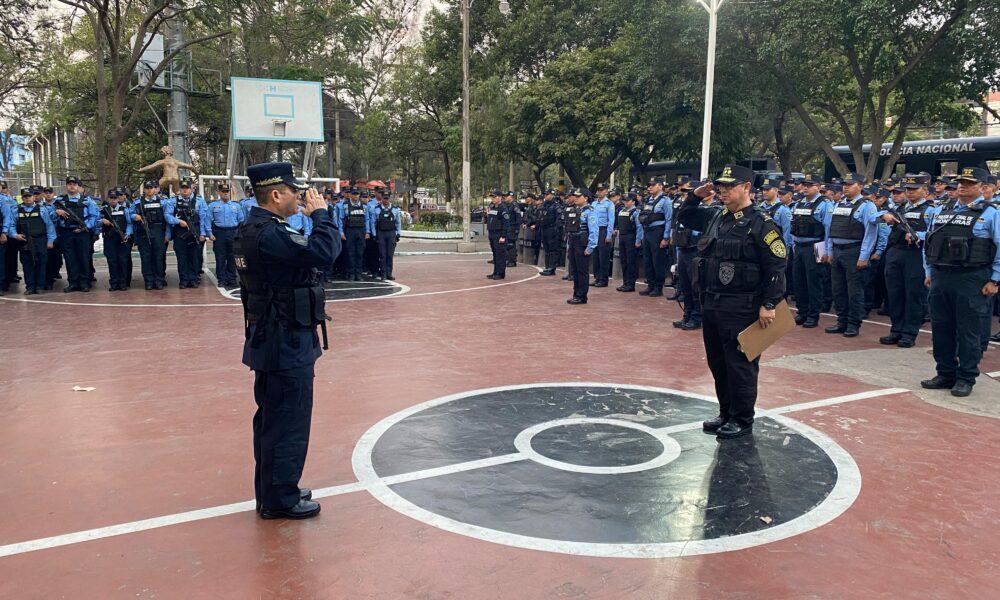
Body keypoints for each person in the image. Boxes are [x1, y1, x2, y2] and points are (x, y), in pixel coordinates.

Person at [234, 161, 341, 520]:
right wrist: (321, 216)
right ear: (277, 195)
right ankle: (280, 499)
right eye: (295, 190)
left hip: (269, 338)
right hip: (285, 342)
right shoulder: (271, 234)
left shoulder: (253, 228)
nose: (300, 196)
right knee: (288, 423)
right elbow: (324, 252)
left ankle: (273, 490)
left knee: (271, 420)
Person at [681, 165, 786, 439]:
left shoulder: (761, 223)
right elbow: (686, 216)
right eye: (721, 186)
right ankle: (726, 412)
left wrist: (770, 304)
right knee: (718, 363)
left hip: (743, 306)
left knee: (740, 365)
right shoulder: (716, 216)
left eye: (730, 186)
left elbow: (776, 266)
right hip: (712, 303)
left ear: (747, 188)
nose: (723, 191)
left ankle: (742, 418)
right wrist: (694, 196)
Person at [920, 167, 1000, 397]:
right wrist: (928, 271)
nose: (962, 186)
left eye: (969, 183)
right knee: (941, 327)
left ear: (983, 188)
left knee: (969, 331)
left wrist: (995, 279)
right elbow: (929, 243)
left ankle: (966, 377)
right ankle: (945, 373)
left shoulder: (991, 213)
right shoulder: (942, 210)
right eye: (961, 182)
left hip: (972, 278)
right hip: (941, 276)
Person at [879, 175, 935, 348]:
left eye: (914, 189)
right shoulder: (900, 207)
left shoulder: (930, 210)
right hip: (896, 251)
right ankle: (896, 330)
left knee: (913, 295)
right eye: (908, 189)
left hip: (915, 254)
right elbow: (875, 215)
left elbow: (935, 233)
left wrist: (919, 235)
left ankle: (909, 333)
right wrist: (884, 215)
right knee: (895, 293)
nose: (910, 192)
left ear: (925, 191)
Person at [822, 174, 880, 337]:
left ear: (860, 186)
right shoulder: (839, 203)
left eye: (850, 184)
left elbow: (870, 233)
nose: (845, 187)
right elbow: (831, 229)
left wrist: (864, 256)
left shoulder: (867, 206)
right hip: (838, 251)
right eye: (844, 184)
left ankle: (854, 324)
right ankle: (841, 321)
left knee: (854, 291)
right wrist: (829, 250)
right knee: (838, 289)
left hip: (854, 251)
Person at [789, 174, 832, 328]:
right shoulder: (799, 203)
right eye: (804, 185)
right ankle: (802, 312)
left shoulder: (825, 204)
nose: (805, 188)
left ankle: (813, 315)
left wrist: (827, 251)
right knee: (799, 281)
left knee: (814, 282)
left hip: (816, 246)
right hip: (799, 246)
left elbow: (828, 229)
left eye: (809, 185)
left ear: (818, 187)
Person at [672, 180, 712, 330]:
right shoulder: (686, 208)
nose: (686, 194)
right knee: (685, 286)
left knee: (696, 287)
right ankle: (687, 315)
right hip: (684, 248)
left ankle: (696, 317)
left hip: (697, 250)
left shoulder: (709, 210)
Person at [52, 176, 100, 293]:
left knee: (83, 257)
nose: (72, 186)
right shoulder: (60, 200)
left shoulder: (87, 200)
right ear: (66, 186)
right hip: (66, 233)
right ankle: (73, 282)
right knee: (70, 258)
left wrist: (86, 226)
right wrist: (56, 212)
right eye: (70, 184)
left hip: (82, 233)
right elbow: (49, 216)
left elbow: (94, 216)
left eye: (74, 184)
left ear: (78, 186)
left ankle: (84, 283)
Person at [166, 179, 208, 289]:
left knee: (194, 256)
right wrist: (178, 221)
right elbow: (167, 216)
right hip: (180, 231)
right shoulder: (173, 201)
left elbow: (203, 218)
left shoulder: (199, 201)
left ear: (191, 189)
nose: (185, 190)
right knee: (182, 257)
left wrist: (203, 233)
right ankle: (184, 280)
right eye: (183, 188)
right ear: (179, 189)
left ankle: (193, 279)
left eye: (187, 188)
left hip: (195, 230)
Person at [13, 187, 56, 295]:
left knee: (41, 263)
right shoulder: (16, 210)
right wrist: (14, 235)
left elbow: (49, 226)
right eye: (25, 197)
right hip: (24, 241)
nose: (27, 198)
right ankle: (30, 286)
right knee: (27, 264)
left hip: (40, 239)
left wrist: (50, 241)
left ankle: (40, 286)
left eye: (29, 196)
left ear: (33, 197)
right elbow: (11, 225)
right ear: (22, 198)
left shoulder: (42, 210)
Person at [638, 177, 673, 297]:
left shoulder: (665, 201)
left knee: (657, 260)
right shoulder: (648, 200)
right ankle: (650, 285)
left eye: (653, 185)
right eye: (649, 185)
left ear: (660, 186)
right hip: (647, 231)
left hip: (658, 232)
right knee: (647, 260)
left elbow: (669, 219)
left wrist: (666, 237)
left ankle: (658, 287)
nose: (650, 187)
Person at [132, 180, 169, 290]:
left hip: (158, 231)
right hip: (143, 232)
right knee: (146, 258)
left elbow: (167, 218)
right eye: (147, 188)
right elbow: (129, 213)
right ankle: (148, 281)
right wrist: (135, 216)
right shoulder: (137, 202)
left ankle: (159, 280)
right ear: (144, 189)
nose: (149, 190)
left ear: (155, 189)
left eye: (151, 188)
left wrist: (167, 234)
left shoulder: (163, 202)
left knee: (159, 257)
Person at [207, 183, 245, 287]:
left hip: (233, 232)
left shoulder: (236, 206)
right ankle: (222, 279)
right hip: (219, 233)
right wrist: (209, 233)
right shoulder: (213, 205)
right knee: (220, 257)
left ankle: (232, 278)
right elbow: (208, 219)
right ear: (219, 193)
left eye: (227, 191)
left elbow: (241, 221)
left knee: (232, 257)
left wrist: (240, 234)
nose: (225, 193)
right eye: (223, 192)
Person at [565, 188, 599, 304]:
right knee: (574, 270)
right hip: (573, 242)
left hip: (582, 244)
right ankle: (576, 294)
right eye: (575, 196)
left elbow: (594, 230)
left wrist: (590, 247)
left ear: (585, 198)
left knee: (582, 271)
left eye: (578, 197)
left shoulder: (590, 211)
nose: (576, 198)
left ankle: (582, 296)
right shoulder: (575, 210)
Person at [100, 188, 134, 291]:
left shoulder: (125, 210)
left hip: (122, 239)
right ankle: (114, 283)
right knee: (112, 261)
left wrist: (128, 234)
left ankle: (123, 283)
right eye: (111, 198)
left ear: (118, 199)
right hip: (109, 239)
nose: (113, 200)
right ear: (108, 198)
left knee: (123, 261)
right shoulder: (103, 210)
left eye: (115, 198)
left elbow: (129, 223)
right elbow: (95, 221)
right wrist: (102, 220)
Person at [615, 191, 644, 292]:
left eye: (628, 201)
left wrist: (638, 240)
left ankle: (631, 284)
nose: (625, 202)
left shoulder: (636, 212)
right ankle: (625, 282)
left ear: (633, 201)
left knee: (631, 261)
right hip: (622, 237)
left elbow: (639, 227)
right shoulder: (622, 211)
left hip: (631, 237)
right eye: (624, 200)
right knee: (623, 261)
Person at [338, 190, 369, 281]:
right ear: (351, 195)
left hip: (361, 231)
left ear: (359, 195)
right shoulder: (345, 206)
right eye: (354, 194)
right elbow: (340, 220)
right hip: (349, 231)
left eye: (357, 194)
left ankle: (358, 274)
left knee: (360, 253)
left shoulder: (364, 206)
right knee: (350, 253)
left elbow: (367, 219)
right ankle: (351, 274)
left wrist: (368, 232)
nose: (355, 196)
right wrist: (341, 233)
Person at [371, 189, 401, 280]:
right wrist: (374, 234)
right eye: (384, 198)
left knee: (390, 255)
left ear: (389, 198)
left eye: (387, 198)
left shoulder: (395, 209)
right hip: (381, 233)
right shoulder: (376, 209)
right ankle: (383, 274)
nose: (386, 200)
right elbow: (373, 223)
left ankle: (389, 273)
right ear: (382, 198)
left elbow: (398, 223)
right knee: (382, 255)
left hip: (391, 233)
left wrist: (398, 234)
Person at [590, 183, 615, 287]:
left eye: (602, 190)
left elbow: (611, 220)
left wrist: (608, 235)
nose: (599, 192)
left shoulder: (609, 204)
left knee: (603, 256)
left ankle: (603, 279)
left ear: (606, 191)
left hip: (603, 230)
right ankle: (597, 277)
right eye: (598, 190)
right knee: (595, 256)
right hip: (594, 230)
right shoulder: (593, 204)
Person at [486, 190, 513, 280]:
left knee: (500, 255)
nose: (492, 199)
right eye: (492, 197)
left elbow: (506, 224)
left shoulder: (503, 208)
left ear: (500, 197)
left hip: (499, 234)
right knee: (495, 254)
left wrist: (503, 236)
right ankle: (495, 272)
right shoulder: (493, 207)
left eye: (494, 197)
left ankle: (500, 273)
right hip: (492, 234)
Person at [538, 189, 563, 276]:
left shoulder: (556, 205)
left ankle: (551, 268)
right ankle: (547, 266)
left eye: (547, 194)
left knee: (552, 249)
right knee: (547, 249)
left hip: (552, 229)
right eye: (545, 194)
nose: (545, 196)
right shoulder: (544, 205)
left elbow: (559, 219)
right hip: (544, 229)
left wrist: (555, 230)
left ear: (552, 195)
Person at [502, 191, 522, 267]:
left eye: (506, 196)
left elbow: (518, 218)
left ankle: (512, 261)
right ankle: (508, 259)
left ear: (511, 197)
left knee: (511, 244)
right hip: (508, 227)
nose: (505, 198)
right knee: (507, 244)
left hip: (513, 227)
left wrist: (516, 229)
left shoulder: (514, 206)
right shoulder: (507, 205)